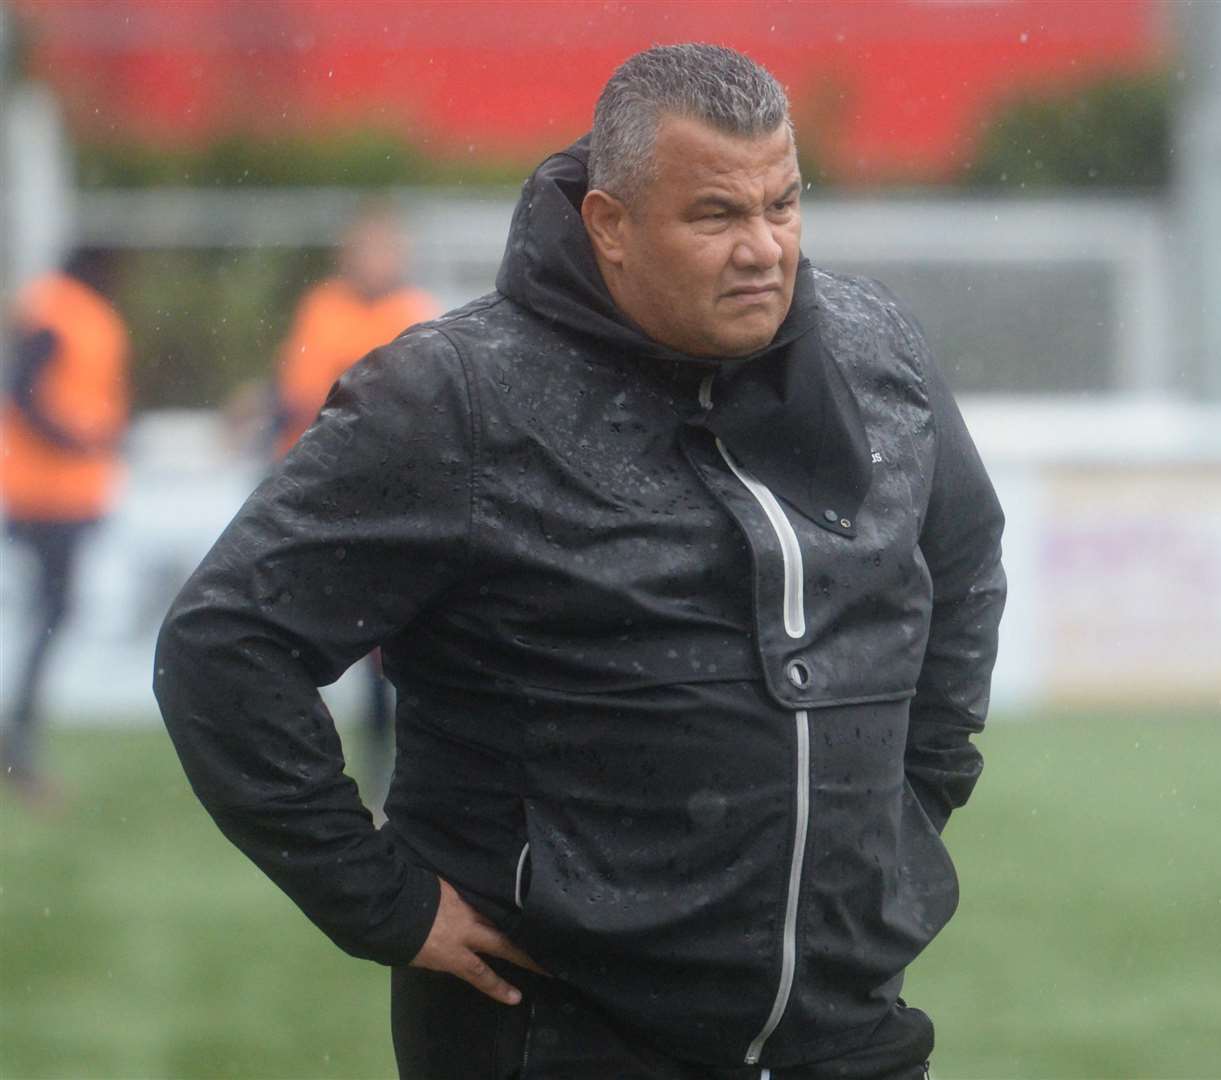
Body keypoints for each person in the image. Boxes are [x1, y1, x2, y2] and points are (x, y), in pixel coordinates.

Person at [155, 44, 1005, 1080]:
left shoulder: (878, 354)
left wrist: (913, 803)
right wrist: (382, 900)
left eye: (783, 206)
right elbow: (225, 645)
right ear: (609, 225)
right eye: (716, 216)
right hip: (556, 1033)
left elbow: (961, 565)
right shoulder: (455, 396)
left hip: (849, 1033)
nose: (764, 249)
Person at [271, 203, 441, 804]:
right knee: (292, 635)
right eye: (366, 249)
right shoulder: (324, 308)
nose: (375, 261)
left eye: (385, 249)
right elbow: (299, 394)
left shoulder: (413, 313)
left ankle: (384, 761)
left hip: (386, 499)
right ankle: (299, 760)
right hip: (318, 494)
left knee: (385, 644)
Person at [2, 248, 130, 804]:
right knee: (51, 612)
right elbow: (24, 391)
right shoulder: (64, 312)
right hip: (47, 495)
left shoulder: (63, 309)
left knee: (50, 612)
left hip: (60, 494)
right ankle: (18, 744)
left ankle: (20, 740)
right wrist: (75, 437)